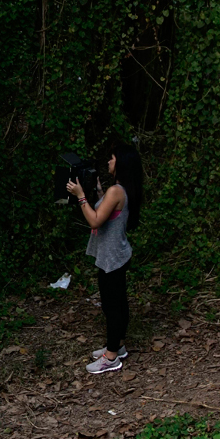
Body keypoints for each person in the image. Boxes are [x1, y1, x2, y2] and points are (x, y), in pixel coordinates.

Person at [66, 144, 144, 375]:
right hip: (116, 254)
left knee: (112, 306)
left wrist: (81, 197)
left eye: (112, 158)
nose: (109, 162)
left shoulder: (117, 191)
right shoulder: (119, 189)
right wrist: (98, 193)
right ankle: (117, 346)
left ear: (120, 163)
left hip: (112, 257)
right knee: (118, 301)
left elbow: (95, 220)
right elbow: (111, 211)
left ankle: (111, 357)